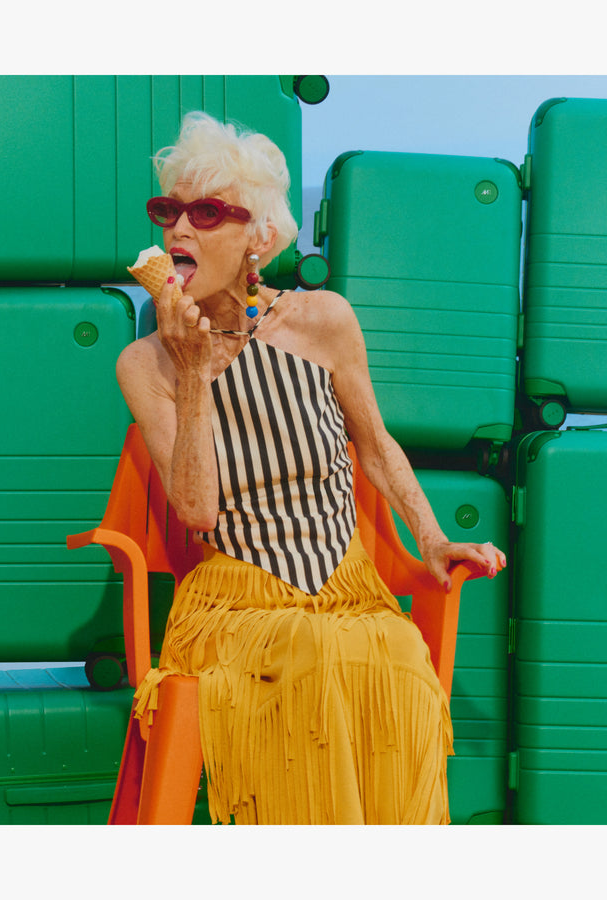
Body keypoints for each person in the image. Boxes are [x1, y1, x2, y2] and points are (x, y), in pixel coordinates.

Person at [116, 111, 506, 825]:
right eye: (168, 210)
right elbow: (197, 512)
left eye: (207, 213)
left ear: (257, 239)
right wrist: (196, 373)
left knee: (395, 664)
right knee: (309, 658)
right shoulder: (145, 364)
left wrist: (434, 539)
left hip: (345, 585)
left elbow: (377, 446)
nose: (179, 231)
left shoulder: (323, 321)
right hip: (233, 599)